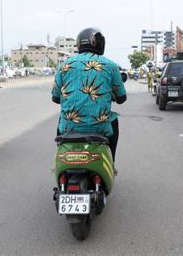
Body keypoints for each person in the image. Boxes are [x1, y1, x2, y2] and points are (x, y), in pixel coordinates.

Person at [51, 27, 127, 175]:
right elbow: (122, 98)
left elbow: (55, 98)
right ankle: (111, 163)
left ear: (79, 44)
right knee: (114, 121)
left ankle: (59, 158)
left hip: (69, 126)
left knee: (61, 119)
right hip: (100, 126)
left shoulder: (64, 66)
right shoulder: (111, 66)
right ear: (100, 44)